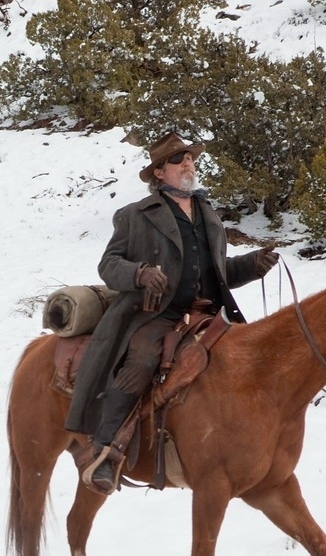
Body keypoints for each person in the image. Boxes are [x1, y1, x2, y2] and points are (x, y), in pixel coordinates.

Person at [66, 132, 279, 493]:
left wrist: (252, 264)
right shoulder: (134, 216)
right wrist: (139, 274)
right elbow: (109, 264)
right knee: (142, 361)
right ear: (159, 174)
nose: (187, 163)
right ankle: (106, 450)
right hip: (155, 315)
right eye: (178, 160)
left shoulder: (207, 213)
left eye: (190, 158)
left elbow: (215, 270)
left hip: (208, 313)